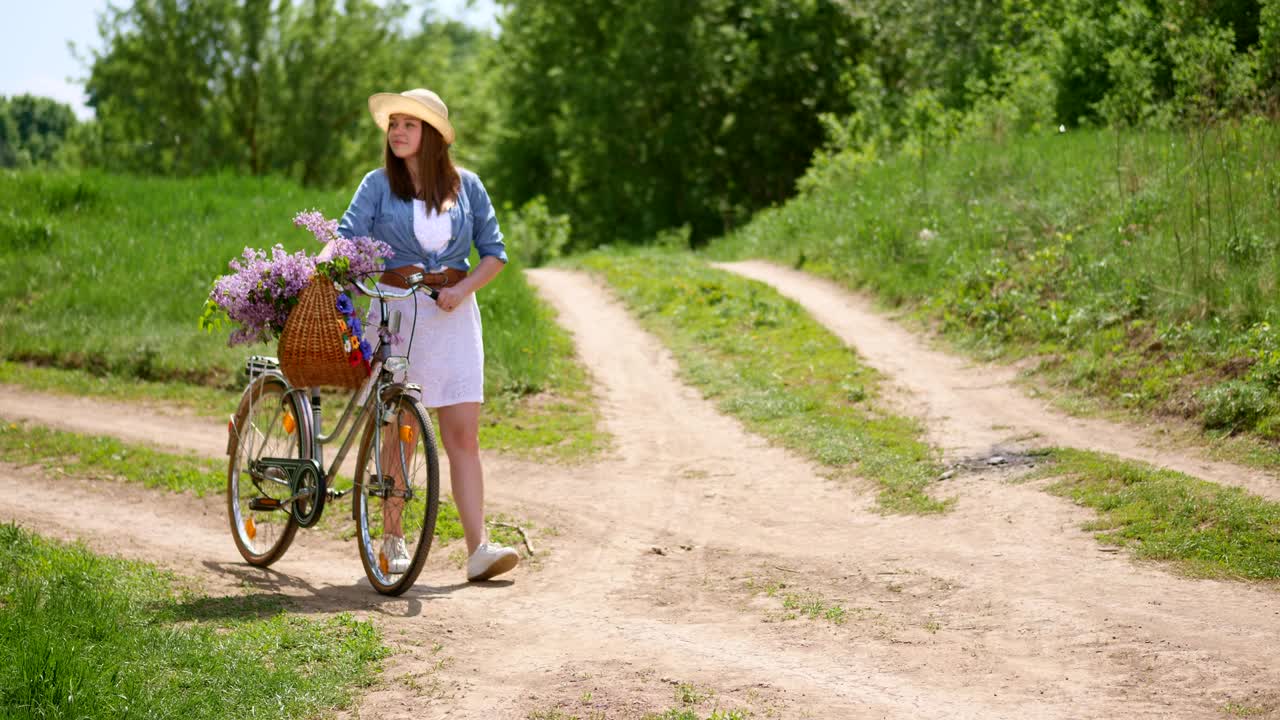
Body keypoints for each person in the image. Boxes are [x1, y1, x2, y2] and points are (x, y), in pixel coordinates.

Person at [335, 88, 518, 583]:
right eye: (393, 124)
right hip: (397, 314)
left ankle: (479, 549)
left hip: (453, 319)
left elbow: (494, 253)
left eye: (408, 124)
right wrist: (327, 268)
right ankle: (392, 539)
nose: (396, 132)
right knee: (400, 429)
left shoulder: (468, 186)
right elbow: (346, 237)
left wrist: (462, 290)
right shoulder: (376, 185)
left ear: (432, 134)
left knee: (463, 436)